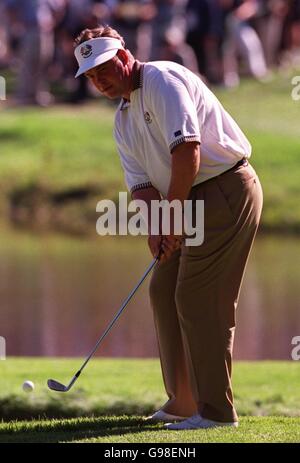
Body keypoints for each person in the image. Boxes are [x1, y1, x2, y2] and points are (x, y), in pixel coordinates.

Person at [73, 24, 263, 429]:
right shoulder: (123, 119)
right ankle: (183, 401)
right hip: (188, 199)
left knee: (198, 297)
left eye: (104, 68)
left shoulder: (162, 78)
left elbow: (187, 150)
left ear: (124, 56)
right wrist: (156, 228)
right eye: (90, 76)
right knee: (163, 289)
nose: (99, 80)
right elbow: (142, 186)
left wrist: (173, 215)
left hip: (225, 189)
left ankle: (215, 412)